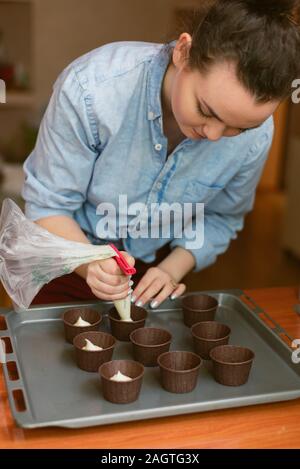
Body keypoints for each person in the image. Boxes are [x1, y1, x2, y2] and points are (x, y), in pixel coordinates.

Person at [22, 0, 300, 308]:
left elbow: (222, 217)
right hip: (67, 259)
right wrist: (91, 264)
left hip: (154, 272)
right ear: (183, 52)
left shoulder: (258, 135)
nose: (214, 135)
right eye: (206, 111)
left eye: (238, 128)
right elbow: (48, 206)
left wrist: (172, 268)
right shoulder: (92, 89)